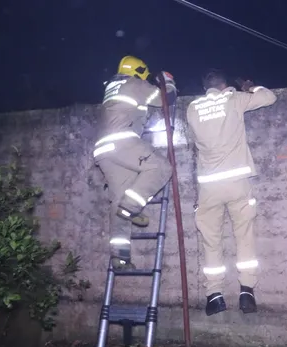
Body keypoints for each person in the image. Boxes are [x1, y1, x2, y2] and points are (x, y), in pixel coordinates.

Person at [185, 69, 277, 316]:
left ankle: (214, 296)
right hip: (236, 182)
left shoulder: (193, 108)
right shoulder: (234, 99)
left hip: (208, 187)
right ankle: (247, 293)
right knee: (244, 236)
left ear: (205, 87)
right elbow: (269, 97)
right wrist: (250, 87)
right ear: (225, 85)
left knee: (211, 242)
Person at [93, 55, 177, 269]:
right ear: (139, 71)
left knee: (118, 199)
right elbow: (167, 99)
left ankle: (120, 258)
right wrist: (167, 81)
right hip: (122, 142)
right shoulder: (135, 84)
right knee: (161, 167)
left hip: (103, 150)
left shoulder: (112, 87)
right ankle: (131, 207)